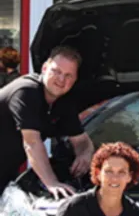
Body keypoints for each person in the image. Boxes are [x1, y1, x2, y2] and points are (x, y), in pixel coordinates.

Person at [0, 45, 94, 198]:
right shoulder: (26, 91)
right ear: (44, 68)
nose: (61, 79)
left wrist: (84, 154)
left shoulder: (64, 102)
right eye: (57, 71)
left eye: (68, 75)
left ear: (75, 80)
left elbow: (81, 140)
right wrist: (52, 183)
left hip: (6, 171)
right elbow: (32, 142)